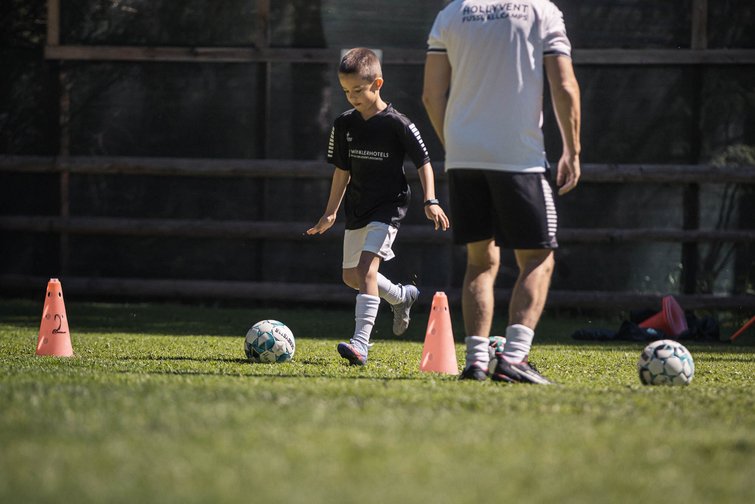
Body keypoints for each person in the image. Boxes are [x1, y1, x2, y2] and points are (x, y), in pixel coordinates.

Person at [422, 0, 581, 383]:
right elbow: (564, 85)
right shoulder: (540, 10)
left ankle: (477, 362)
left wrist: (455, 145)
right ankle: (514, 357)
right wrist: (572, 151)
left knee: (480, 262)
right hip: (517, 157)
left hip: (463, 157)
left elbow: (431, 95)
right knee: (538, 258)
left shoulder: (451, 14)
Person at [308, 47, 450, 366]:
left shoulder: (396, 123)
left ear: (377, 84)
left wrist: (431, 200)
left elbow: (424, 161)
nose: (352, 97)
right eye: (346, 91)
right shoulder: (344, 124)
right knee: (350, 277)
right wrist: (330, 212)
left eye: (358, 90)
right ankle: (401, 297)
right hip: (358, 208)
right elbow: (341, 171)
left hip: (389, 208)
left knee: (366, 270)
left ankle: (361, 344)